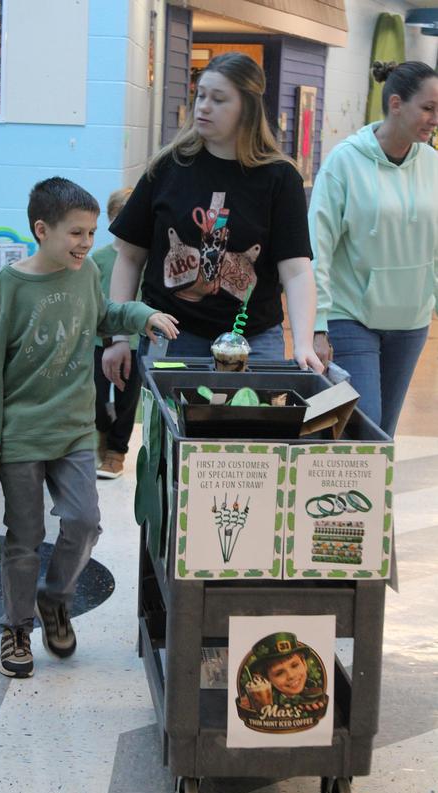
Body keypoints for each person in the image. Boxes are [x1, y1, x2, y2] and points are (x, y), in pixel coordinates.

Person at [0, 177, 178, 678]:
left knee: (85, 522)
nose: (87, 243)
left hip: (73, 430)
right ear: (42, 230)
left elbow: (104, 314)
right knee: (24, 537)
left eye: (91, 233)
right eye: (76, 233)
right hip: (21, 434)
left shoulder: (84, 275)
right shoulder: (10, 287)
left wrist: (142, 314)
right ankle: (16, 627)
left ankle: (56, 599)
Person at [102, 52, 323, 389]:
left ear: (247, 108)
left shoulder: (279, 177)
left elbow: (295, 270)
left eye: (218, 99)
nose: (203, 106)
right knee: (174, 438)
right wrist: (119, 336)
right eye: (200, 95)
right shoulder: (167, 166)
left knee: (245, 436)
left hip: (253, 339)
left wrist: (304, 343)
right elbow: (129, 257)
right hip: (172, 335)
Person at [309, 60, 438, 437]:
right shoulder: (344, 162)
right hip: (352, 316)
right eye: (427, 108)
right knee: (364, 428)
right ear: (395, 104)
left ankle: (358, 498)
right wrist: (316, 324)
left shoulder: (433, 165)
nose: (434, 119)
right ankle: (333, 494)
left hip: (412, 320)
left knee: (382, 434)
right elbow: (318, 247)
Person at [93, 188, 141, 479]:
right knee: (95, 396)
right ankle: (102, 429)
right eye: (119, 216)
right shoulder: (96, 259)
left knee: (127, 398)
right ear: (110, 218)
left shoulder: (144, 258)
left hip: (134, 342)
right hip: (100, 340)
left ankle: (116, 452)